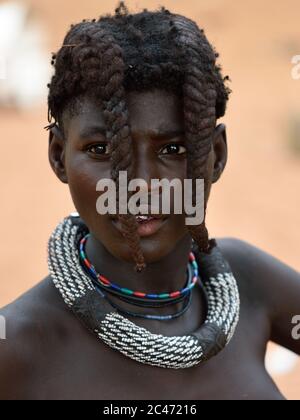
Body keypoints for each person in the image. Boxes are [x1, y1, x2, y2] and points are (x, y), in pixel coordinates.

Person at [0, 3, 299, 400]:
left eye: (172, 148)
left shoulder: (251, 285)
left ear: (218, 156)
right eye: (102, 148)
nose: (139, 184)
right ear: (58, 156)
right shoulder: (18, 344)